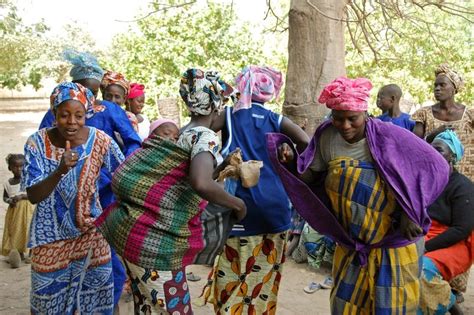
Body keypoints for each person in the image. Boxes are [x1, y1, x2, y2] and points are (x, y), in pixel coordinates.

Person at [269, 76, 450, 314]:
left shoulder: (390, 136)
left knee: (394, 308)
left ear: (364, 113)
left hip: (393, 245)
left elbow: (436, 167)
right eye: (338, 119)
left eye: (352, 119)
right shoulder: (327, 137)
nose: (345, 126)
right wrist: (292, 160)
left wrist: (411, 212)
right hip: (352, 244)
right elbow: (311, 178)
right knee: (346, 307)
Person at [96, 68, 247, 314]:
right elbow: (200, 182)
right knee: (173, 309)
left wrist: (221, 164)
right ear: (216, 107)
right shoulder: (206, 137)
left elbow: (179, 175)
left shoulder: (182, 132)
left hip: (129, 236)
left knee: (148, 306)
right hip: (154, 248)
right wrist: (238, 204)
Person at [202, 65, 309, 314]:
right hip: (276, 210)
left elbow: (202, 129)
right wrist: (290, 161)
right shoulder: (276, 120)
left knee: (232, 278)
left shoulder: (229, 116)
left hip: (242, 210)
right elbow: (304, 141)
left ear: (242, 88)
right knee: (264, 280)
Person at [37, 51, 140, 308]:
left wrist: (121, 170)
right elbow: (42, 146)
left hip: (104, 193)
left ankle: (108, 304)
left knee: (105, 256)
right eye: (85, 89)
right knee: (68, 257)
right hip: (64, 196)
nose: (90, 98)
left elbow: (132, 141)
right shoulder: (58, 114)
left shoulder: (109, 110)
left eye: (94, 91)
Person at [22, 82, 125, 315]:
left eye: (78, 115)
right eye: (64, 115)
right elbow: (33, 195)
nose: (71, 122)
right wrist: (59, 170)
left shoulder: (100, 140)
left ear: (86, 113)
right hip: (50, 240)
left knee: (97, 302)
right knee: (47, 303)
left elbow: (125, 174)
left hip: (91, 235)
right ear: (54, 113)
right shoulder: (36, 143)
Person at [419, 130, 474, 315]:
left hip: (456, 243)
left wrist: (426, 247)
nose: (434, 154)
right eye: (431, 150)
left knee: (421, 268)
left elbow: (462, 229)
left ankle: (449, 306)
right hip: (426, 234)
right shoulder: (427, 180)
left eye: (440, 151)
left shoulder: (462, 187)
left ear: (452, 157)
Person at [2, 154, 34, 268]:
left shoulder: (28, 180)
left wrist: (21, 197)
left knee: (29, 230)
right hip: (14, 212)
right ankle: (19, 253)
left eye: (21, 166)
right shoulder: (8, 183)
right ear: (10, 168)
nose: (19, 169)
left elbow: (33, 195)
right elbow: (5, 197)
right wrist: (9, 200)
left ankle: (31, 253)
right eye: (15, 166)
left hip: (28, 211)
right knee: (16, 231)